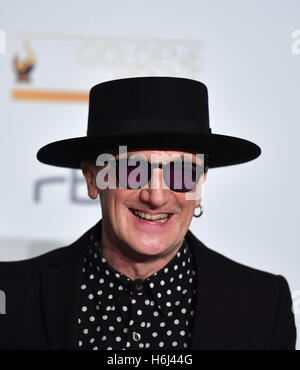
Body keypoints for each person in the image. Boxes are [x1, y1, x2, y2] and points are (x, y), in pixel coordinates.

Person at [0, 77, 296, 350]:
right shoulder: (11, 295)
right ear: (92, 179)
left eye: (181, 173)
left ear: (200, 183)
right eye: (132, 170)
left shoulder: (264, 307)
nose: (155, 195)